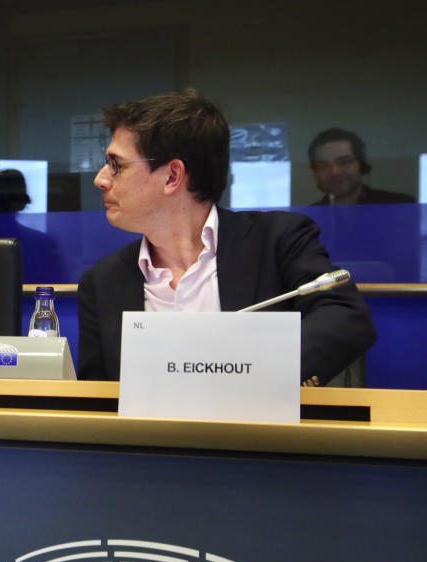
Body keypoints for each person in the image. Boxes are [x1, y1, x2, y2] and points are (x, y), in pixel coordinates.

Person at [77, 89, 376, 386]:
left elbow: (346, 317)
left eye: (117, 165)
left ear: (172, 176)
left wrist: (248, 373)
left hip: (258, 432)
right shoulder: (101, 282)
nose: (101, 179)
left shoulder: (276, 241)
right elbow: (96, 400)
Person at [308, 128, 416, 205]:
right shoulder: (307, 219)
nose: (335, 172)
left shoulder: (400, 205)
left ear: (362, 165)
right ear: (315, 173)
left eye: (345, 162)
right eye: (323, 166)